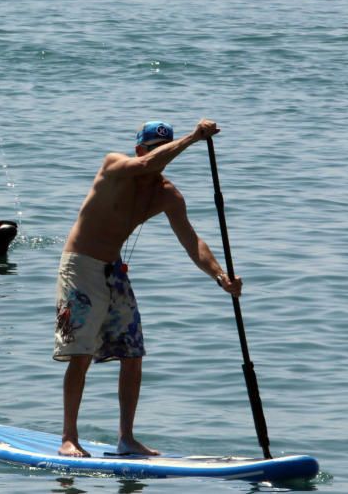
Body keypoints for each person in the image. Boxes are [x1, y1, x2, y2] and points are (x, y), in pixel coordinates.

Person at [54, 119, 242, 458]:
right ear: (140, 149)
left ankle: (126, 439)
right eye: (154, 151)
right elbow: (145, 165)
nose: (159, 159)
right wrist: (193, 138)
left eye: (163, 151)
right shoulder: (115, 164)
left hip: (113, 271)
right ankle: (69, 437)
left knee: (133, 353)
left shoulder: (166, 195)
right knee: (80, 354)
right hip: (80, 265)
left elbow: (192, 241)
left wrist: (220, 277)